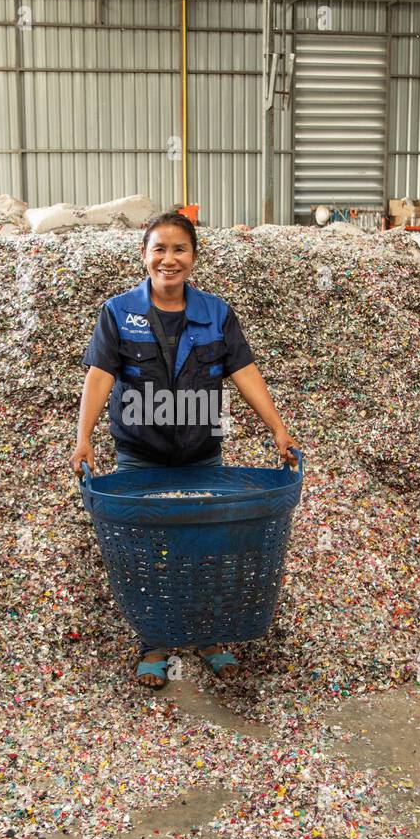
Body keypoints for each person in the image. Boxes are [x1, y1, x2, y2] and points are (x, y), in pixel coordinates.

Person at [70, 210, 298, 689]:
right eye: (159, 249)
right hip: (140, 456)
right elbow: (100, 376)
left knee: (205, 548)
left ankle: (210, 636)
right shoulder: (118, 312)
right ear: (144, 255)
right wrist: (83, 436)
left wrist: (278, 428)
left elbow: (244, 373)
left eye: (179, 250)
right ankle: (154, 641)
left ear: (194, 257)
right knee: (150, 550)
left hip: (201, 456)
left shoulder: (216, 313)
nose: (168, 259)